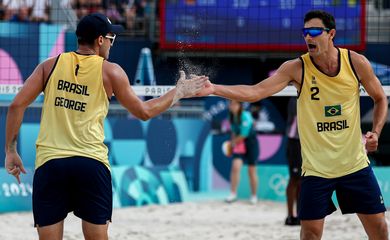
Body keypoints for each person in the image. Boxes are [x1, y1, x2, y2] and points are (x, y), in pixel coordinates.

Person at [4, 12, 207, 240]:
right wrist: (178, 92)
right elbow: (144, 112)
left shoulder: (49, 66)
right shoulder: (111, 71)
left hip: (51, 164)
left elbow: (16, 105)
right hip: (91, 163)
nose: (112, 43)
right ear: (100, 40)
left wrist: (11, 151)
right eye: (111, 38)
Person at [199, 10, 388, 240]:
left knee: (380, 229)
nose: (308, 37)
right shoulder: (296, 68)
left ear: (331, 35)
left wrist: (376, 132)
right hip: (317, 170)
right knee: (310, 234)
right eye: (305, 32)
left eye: (315, 32)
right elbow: (255, 91)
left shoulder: (356, 62)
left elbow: (380, 98)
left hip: (354, 165)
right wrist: (215, 88)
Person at [224, 100, 259, 205]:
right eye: (230, 104)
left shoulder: (245, 116)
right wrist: (232, 145)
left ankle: (253, 196)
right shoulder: (231, 116)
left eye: (234, 104)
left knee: (251, 171)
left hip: (251, 143)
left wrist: (231, 144)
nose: (232, 106)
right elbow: (234, 133)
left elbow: (244, 135)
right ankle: (233, 194)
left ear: (240, 105)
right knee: (235, 168)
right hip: (239, 143)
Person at [284, 97, 302, 226]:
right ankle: (290, 215)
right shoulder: (294, 97)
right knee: (294, 179)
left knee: (301, 180)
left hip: (305, 142)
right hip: (295, 142)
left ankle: (299, 214)